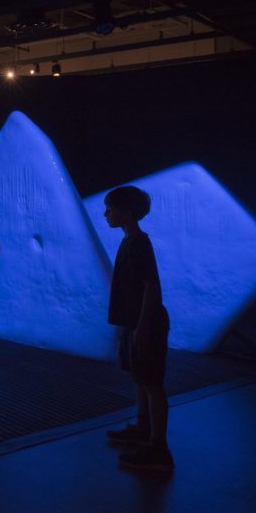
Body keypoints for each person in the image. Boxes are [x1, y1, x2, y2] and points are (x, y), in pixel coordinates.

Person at [102, 186, 174, 472]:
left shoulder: (139, 243)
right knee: (141, 378)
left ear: (127, 212)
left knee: (152, 384)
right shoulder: (129, 241)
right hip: (136, 323)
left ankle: (159, 450)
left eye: (111, 208)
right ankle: (144, 429)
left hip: (147, 323)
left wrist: (143, 326)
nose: (106, 214)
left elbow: (151, 285)